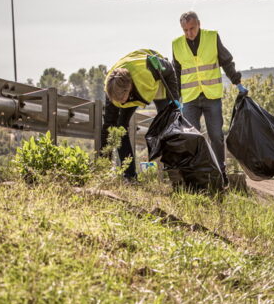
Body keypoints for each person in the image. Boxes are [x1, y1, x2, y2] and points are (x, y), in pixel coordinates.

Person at [172, 11, 246, 183]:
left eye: (192, 28)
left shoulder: (212, 37)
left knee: (216, 136)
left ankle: (220, 172)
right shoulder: (176, 45)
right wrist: (176, 97)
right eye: (185, 30)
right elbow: (177, 72)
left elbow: (226, 61)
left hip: (211, 96)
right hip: (190, 98)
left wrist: (237, 82)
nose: (189, 33)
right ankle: (197, 173)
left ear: (199, 23)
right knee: (192, 137)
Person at [101, 48, 178, 181]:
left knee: (168, 125)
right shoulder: (111, 90)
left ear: (129, 89)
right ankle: (130, 176)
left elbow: (170, 70)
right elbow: (108, 127)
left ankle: (174, 175)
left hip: (159, 78)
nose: (119, 103)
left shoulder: (149, 68)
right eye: (116, 101)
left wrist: (175, 99)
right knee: (119, 129)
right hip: (131, 88)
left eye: (121, 99)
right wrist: (103, 164)